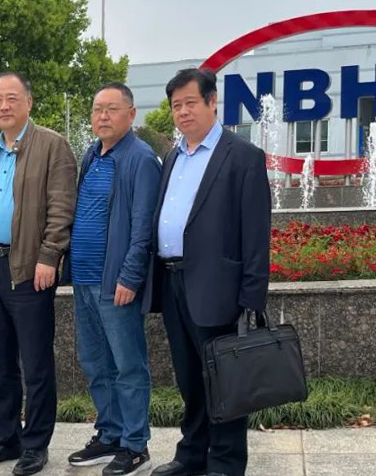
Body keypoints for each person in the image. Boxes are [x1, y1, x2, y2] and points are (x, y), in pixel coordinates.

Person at [144, 69, 271, 476]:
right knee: (189, 378)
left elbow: (256, 234)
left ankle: (226, 462)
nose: (182, 112)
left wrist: (251, 298)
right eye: (175, 106)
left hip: (219, 288)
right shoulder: (173, 156)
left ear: (212, 101)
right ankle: (192, 453)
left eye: (190, 103)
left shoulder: (242, 156)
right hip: (173, 282)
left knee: (223, 379)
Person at [0, 72, 77, 476]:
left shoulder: (52, 145)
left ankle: (35, 444)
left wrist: (50, 254)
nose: (4, 106)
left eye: (12, 98)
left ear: (29, 102)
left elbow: (61, 206)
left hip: (28, 268)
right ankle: (5, 438)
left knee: (36, 362)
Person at [65, 83, 160, 475]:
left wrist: (130, 276)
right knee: (95, 363)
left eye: (112, 109)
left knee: (128, 366)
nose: (102, 116)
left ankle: (135, 445)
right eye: (97, 109)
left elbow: (143, 226)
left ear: (131, 114)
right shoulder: (92, 154)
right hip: (84, 281)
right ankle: (110, 434)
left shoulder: (141, 159)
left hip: (115, 283)